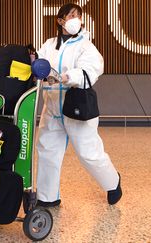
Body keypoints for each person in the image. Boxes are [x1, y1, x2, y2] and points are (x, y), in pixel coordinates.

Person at [36, 3, 122, 207]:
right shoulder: (49, 44)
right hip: (52, 107)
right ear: (60, 20)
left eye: (78, 16)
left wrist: (69, 76)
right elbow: (40, 63)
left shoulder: (85, 45)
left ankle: (113, 181)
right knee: (47, 151)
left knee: (88, 153)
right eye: (71, 15)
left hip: (77, 106)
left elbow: (92, 67)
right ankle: (48, 197)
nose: (76, 19)